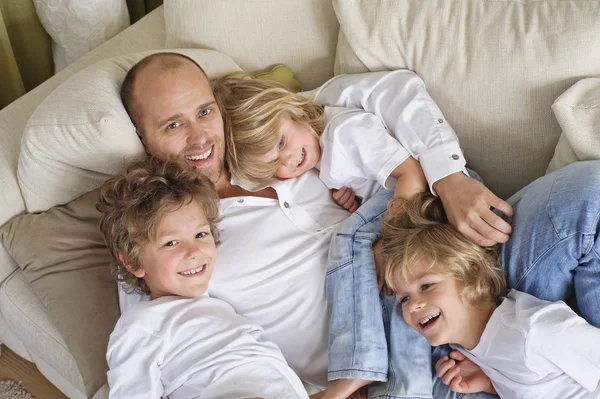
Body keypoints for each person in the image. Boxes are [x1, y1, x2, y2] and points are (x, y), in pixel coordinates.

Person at [97, 157, 309, 399]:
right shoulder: (141, 323)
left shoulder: (220, 306)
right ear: (134, 262)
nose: (194, 252)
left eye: (200, 234)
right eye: (171, 243)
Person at [380, 193, 600, 399]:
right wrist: (490, 384)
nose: (413, 306)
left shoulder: (533, 332)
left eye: (426, 285)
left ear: (470, 272)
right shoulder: (468, 350)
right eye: (404, 299)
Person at [212, 73, 428, 210]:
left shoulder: (345, 134)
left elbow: (412, 173)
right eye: (273, 164)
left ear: (292, 110)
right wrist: (352, 200)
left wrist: (393, 235)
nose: (288, 160)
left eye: (281, 143)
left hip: (421, 199)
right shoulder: (319, 156)